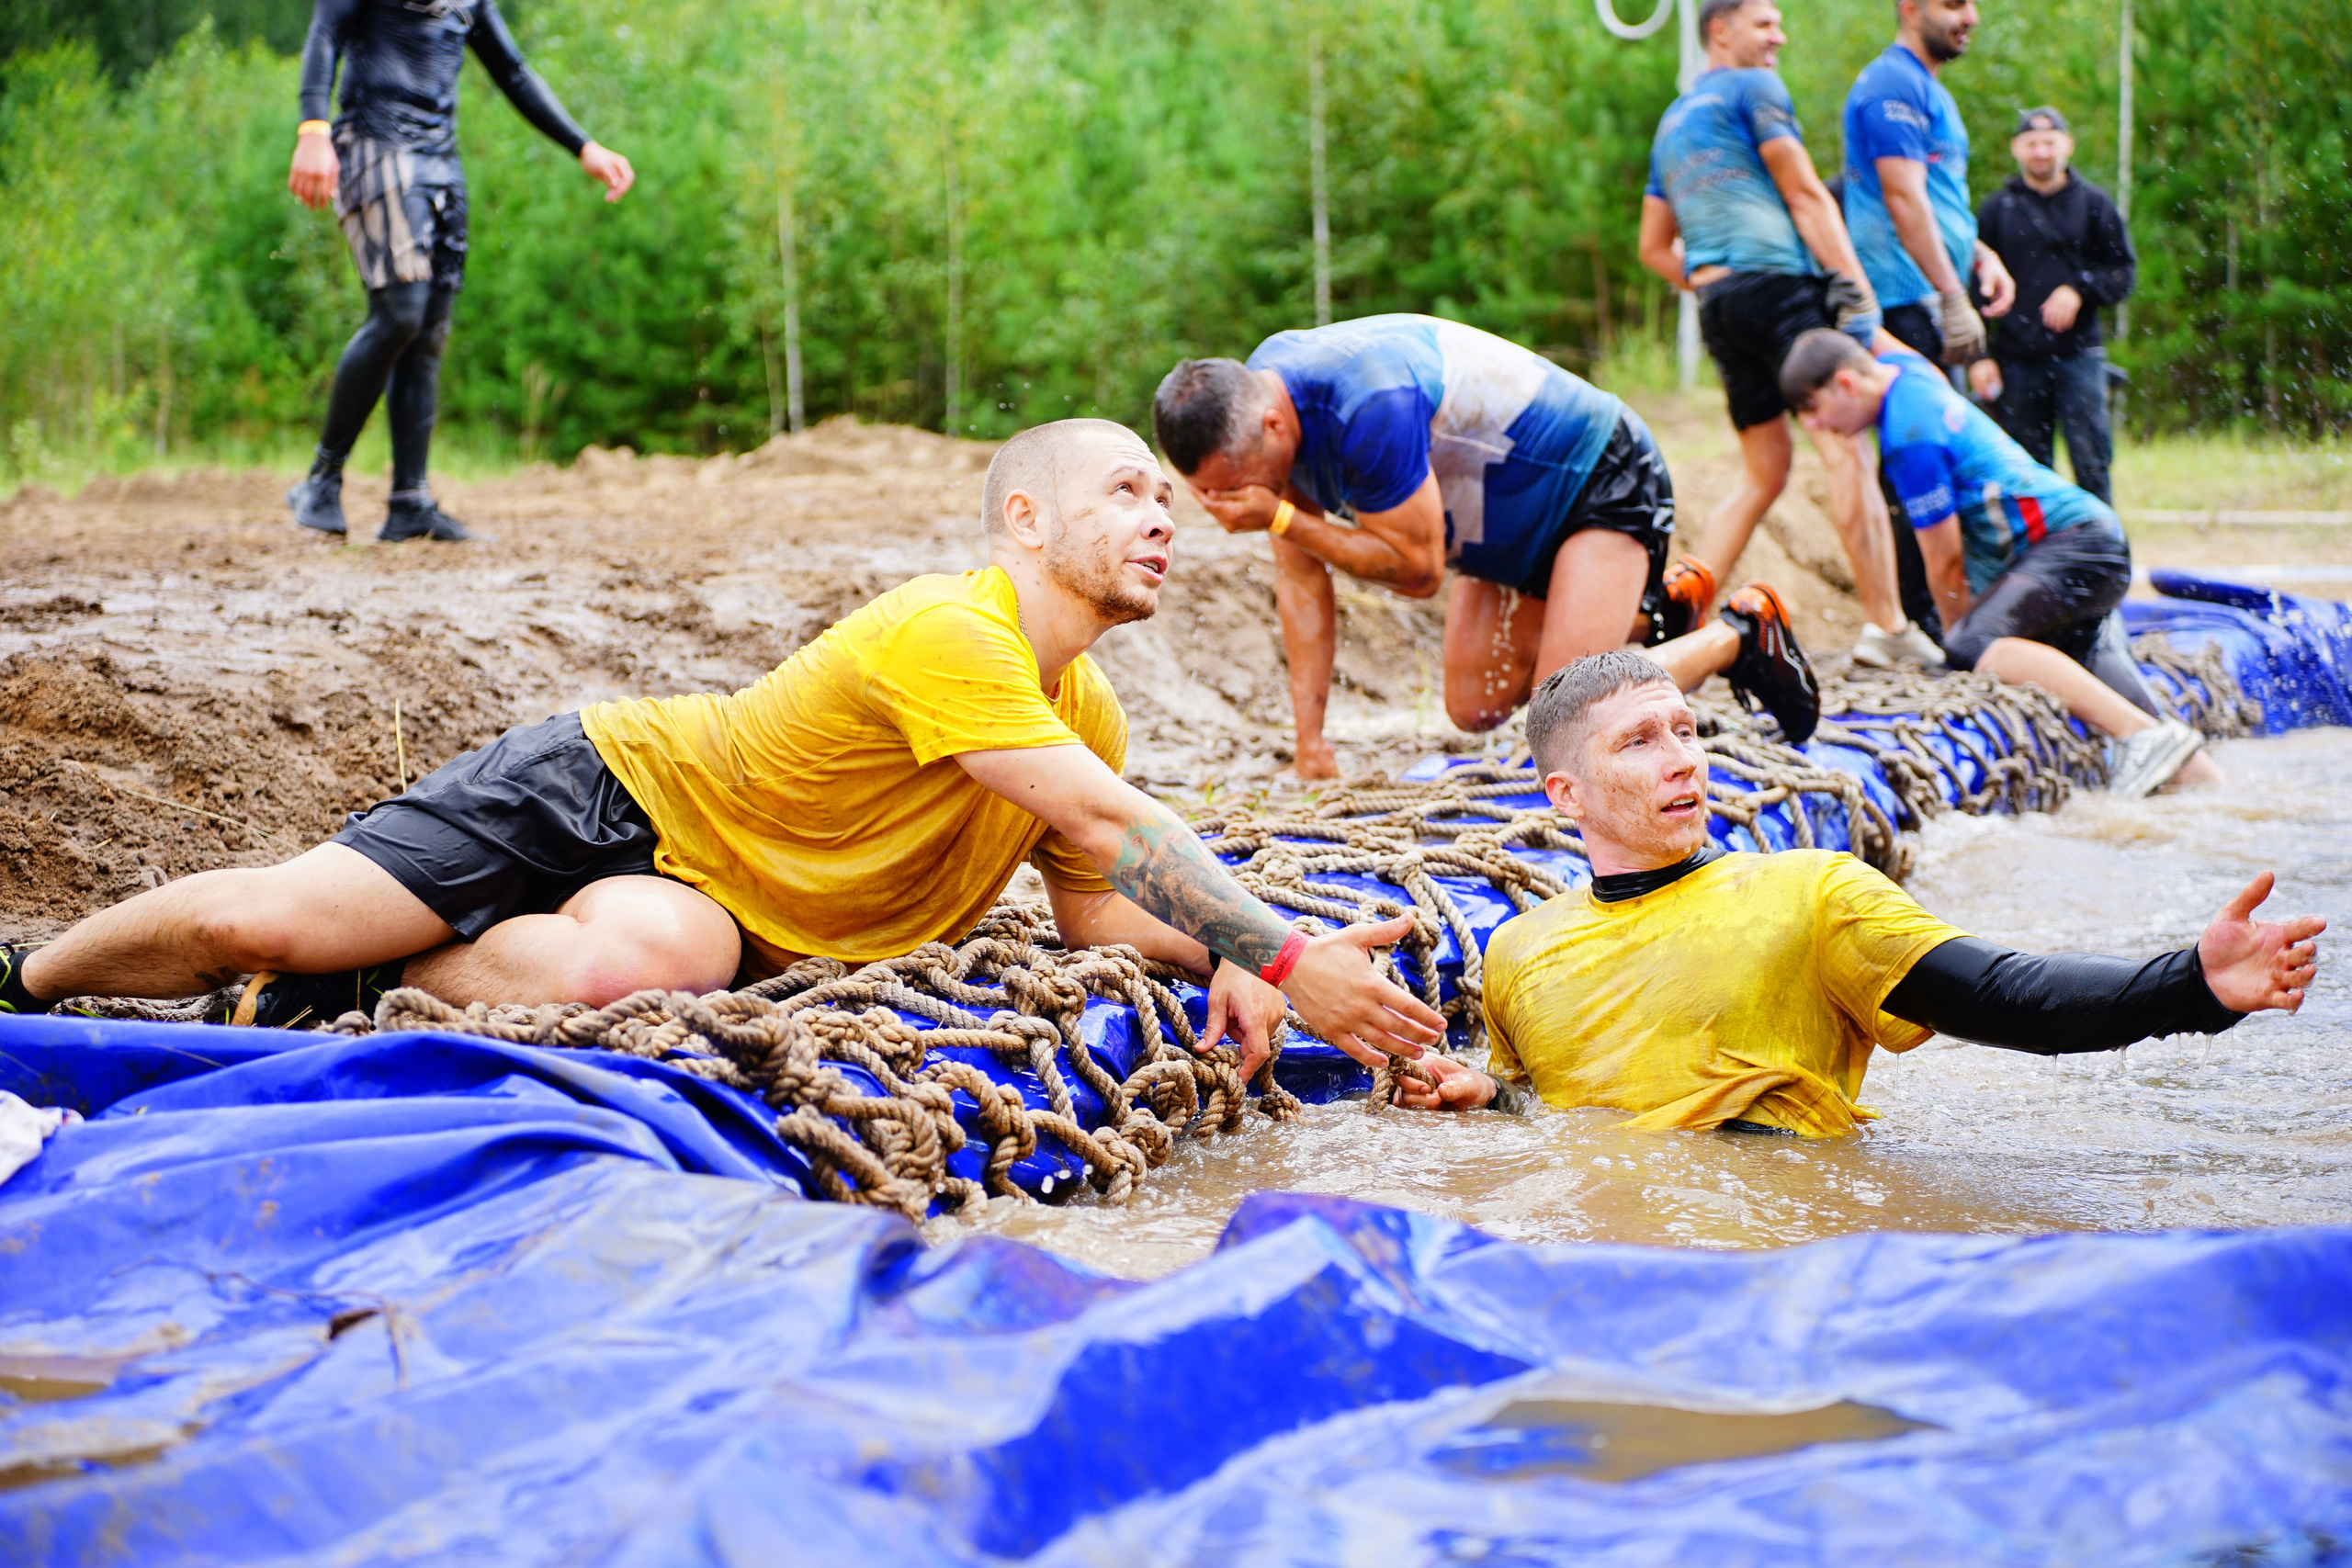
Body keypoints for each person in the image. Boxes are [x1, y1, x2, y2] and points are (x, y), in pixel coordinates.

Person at [0, 421, 1446, 1083]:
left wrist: (1233, 965)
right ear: (1022, 521)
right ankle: (32, 972)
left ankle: (357, 980)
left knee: (620, 973)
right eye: (1126, 488)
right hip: (609, 784)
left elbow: (1092, 900)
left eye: (1166, 497)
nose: (1162, 516)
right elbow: (1122, 827)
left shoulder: (1092, 712)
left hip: (719, 908)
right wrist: (1281, 954)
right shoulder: (951, 632)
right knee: (251, 918)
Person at [1390, 653, 2324, 1127]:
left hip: (1779, 1247)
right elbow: (1547, 1118)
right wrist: (1486, 1099)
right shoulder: (1516, 952)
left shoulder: (1814, 892)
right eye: (1639, 741)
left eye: (1687, 730)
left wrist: (2189, 987)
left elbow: (2014, 1000)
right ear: (1565, 795)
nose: (1682, 760)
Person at [1151, 316, 1824, 779]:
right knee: (1475, 709)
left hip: (1598, 480)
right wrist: (1311, 744)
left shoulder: (1368, 404)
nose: (1228, 509)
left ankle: (1740, 631)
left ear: (1272, 425)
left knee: (1566, 722)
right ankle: (1661, 613)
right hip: (1501, 529)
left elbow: (1417, 570)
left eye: (1234, 488)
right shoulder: (1259, 405)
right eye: (1210, 495)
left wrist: (1283, 519)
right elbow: (1302, 582)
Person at [1636, 0, 1941, 672]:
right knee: (1845, 449)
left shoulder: (1673, 121)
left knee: (1764, 473)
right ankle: (1887, 627)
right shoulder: (1756, 88)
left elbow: (1653, 248)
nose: (1779, 35)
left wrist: (1717, 280)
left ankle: (1677, 606)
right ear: (1721, 31)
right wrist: (1856, 296)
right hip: (1779, 289)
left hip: (1718, 302)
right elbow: (1805, 195)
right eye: (1765, 23)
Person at [1780, 328, 2215, 796]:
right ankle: (2204, 779)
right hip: (2095, 540)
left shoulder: (1909, 440)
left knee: (1972, 643)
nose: (1815, 426)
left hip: (2072, 549)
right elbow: (1885, 346)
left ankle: (2143, 738)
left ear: (1846, 383)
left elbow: (1945, 561)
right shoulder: (1911, 373)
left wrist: (1959, 648)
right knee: (2106, 682)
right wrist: (1861, 320)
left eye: (1811, 408)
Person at [283, 0, 637, 544]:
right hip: (375, 146)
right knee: (399, 314)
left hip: (441, 162)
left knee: (428, 333)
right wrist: (313, 128)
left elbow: (513, 71)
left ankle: (409, 503)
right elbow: (325, 32)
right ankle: (321, 482)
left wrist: (582, 146)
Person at [1839, 0, 2017, 643]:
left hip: (1930, 294)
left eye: (1972, 3)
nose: (1968, 15)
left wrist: (1981, 257)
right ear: (1909, 7)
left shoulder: (1928, 88)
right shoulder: (1892, 84)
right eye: (1951, 3)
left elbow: (1941, 200)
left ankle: (1945, 615)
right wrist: (1951, 294)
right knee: (1917, 464)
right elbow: (1903, 197)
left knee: (1940, 452)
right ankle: (1922, 623)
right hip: (1897, 304)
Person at [1970, 107, 2136, 505]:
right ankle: (2040, 562)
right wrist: (1979, 356)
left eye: (2049, 142)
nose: (2041, 152)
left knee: (2092, 464)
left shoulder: (2095, 204)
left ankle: (2103, 560)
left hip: (2079, 357)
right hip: (2016, 360)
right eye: (2032, 144)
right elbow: (1972, 288)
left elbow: (2123, 273)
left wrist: (2080, 289)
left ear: (2067, 145)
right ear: (2016, 149)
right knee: (2026, 472)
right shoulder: (1996, 211)